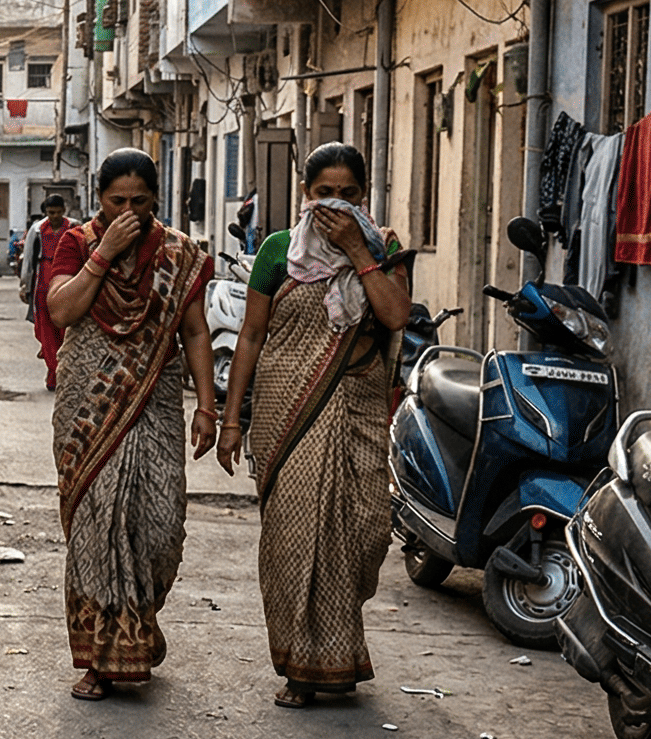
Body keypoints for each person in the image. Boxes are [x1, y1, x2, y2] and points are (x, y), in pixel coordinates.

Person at [218, 143, 409, 707]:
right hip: (288, 411)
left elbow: (395, 314)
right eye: (325, 193)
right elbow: (251, 337)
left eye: (348, 194)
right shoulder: (279, 250)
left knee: (364, 531)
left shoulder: (383, 247)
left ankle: (336, 650)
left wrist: (357, 250)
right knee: (295, 539)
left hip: (358, 407)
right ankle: (302, 668)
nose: (335, 204)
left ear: (364, 196)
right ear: (305, 194)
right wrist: (230, 419)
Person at [44, 154, 215, 700]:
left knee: (160, 529)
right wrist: (104, 253)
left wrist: (208, 407)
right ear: (99, 198)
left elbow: (195, 332)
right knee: (96, 530)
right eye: (117, 200)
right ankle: (98, 660)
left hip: (156, 404)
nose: (128, 210)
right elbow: (61, 310)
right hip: (88, 407)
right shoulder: (76, 243)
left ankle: (140, 622)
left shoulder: (178, 254)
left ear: (155, 199)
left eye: (139, 201)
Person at [19, 193, 74, 389]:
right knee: (46, 330)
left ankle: (61, 373)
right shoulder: (38, 230)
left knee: (66, 331)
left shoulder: (74, 228)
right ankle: (54, 373)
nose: (55, 216)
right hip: (43, 282)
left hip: (68, 281)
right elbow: (29, 259)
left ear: (64, 211)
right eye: (51, 213)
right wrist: (25, 285)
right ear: (45, 212)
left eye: (58, 212)